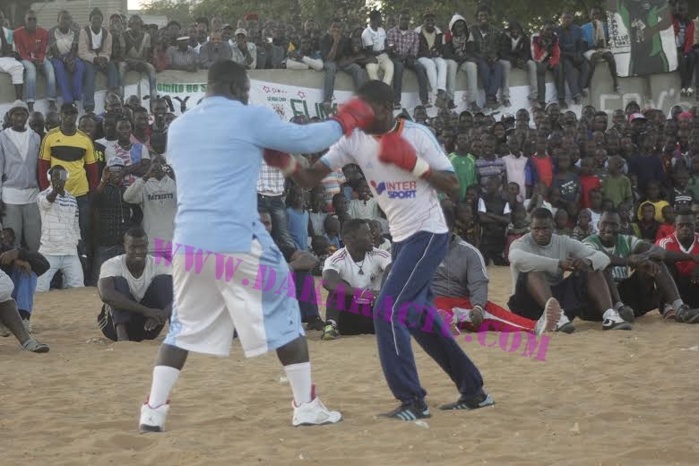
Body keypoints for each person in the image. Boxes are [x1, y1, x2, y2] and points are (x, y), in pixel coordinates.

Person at [137, 60, 376, 432]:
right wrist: (350, 117)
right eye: (247, 90)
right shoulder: (249, 117)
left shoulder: (180, 126)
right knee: (288, 317)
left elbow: (220, 158)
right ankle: (306, 405)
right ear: (237, 87)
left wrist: (262, 152)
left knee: (182, 329)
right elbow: (309, 141)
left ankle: (152, 411)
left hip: (187, 242)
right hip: (236, 239)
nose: (248, 96)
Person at [292, 80, 494, 420]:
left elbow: (454, 186)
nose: (357, 116)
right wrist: (284, 161)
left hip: (428, 232)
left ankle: (413, 401)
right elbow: (310, 179)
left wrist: (415, 165)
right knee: (418, 317)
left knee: (387, 310)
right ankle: (473, 390)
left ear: (386, 108)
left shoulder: (416, 135)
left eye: (364, 110)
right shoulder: (354, 139)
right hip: (401, 238)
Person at [434, 204, 560, 335]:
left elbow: (478, 283)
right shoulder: (419, 250)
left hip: (462, 303)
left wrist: (478, 307)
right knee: (433, 308)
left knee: (490, 311)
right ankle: (445, 324)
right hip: (433, 302)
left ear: (451, 226)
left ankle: (537, 326)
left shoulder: (469, 253)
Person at [508, 208, 632, 333]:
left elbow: (603, 258)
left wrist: (587, 261)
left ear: (553, 227)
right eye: (536, 229)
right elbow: (515, 257)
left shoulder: (563, 242)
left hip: (558, 302)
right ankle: (555, 318)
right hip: (526, 305)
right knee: (532, 271)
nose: (541, 233)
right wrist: (558, 264)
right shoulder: (521, 243)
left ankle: (609, 316)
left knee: (593, 268)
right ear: (530, 228)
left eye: (545, 228)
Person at [584, 209, 699, 323]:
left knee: (654, 261)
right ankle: (618, 309)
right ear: (598, 225)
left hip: (624, 293)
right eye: (605, 224)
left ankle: (680, 309)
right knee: (601, 265)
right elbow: (600, 257)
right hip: (598, 299)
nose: (608, 228)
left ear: (620, 226)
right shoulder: (588, 242)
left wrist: (644, 257)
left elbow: (657, 250)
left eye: (614, 224)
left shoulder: (626, 240)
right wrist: (629, 261)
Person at [97, 227, 172, 341]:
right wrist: (146, 311)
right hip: (114, 328)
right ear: (125, 246)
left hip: (149, 326)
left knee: (164, 281)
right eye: (133, 247)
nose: (138, 251)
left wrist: (164, 313)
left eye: (142, 247)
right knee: (119, 282)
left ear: (147, 245)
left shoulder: (160, 264)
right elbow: (106, 295)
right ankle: (122, 336)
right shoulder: (111, 264)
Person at [321, 219, 391, 339]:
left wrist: (383, 293)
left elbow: (394, 270)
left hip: (374, 312)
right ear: (349, 239)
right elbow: (328, 282)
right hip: (349, 318)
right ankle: (331, 325)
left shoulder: (380, 254)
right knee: (338, 287)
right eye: (367, 233)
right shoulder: (336, 259)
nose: (372, 236)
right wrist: (364, 294)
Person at [0, 100, 42, 252]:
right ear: (10, 117)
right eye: (16, 114)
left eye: (23, 114)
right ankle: (14, 276)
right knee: (12, 241)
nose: (19, 118)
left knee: (35, 240)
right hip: (10, 197)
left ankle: (38, 275)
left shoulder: (35, 137)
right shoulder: (3, 137)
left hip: (32, 195)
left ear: (27, 116)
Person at [35, 165, 84, 292]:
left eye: (62, 176)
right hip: (49, 251)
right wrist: (56, 190)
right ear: (49, 178)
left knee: (78, 287)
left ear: (66, 178)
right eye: (56, 176)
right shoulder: (42, 195)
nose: (59, 179)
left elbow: (75, 224)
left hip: (70, 252)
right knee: (40, 289)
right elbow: (47, 203)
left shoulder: (72, 198)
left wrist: (78, 243)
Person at [122, 154, 177, 261]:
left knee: (174, 277)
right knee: (155, 277)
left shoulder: (174, 183)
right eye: (155, 164)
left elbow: (187, 198)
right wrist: (146, 176)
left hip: (173, 243)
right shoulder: (144, 184)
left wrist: (174, 176)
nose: (158, 167)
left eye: (161, 163)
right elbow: (127, 197)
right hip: (152, 244)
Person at [13, 10, 57, 112]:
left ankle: (52, 101)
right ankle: (30, 102)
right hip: (25, 58)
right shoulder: (17, 33)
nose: (32, 21)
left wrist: (40, 60)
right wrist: (33, 61)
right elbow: (21, 52)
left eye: (34, 19)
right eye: (29, 19)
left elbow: (43, 50)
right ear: (25, 21)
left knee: (50, 69)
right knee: (31, 70)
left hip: (40, 57)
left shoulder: (43, 32)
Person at [79, 8, 119, 113]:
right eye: (94, 20)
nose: (96, 22)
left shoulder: (107, 34)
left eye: (98, 20)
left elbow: (107, 51)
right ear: (90, 20)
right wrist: (94, 59)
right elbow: (82, 52)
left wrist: (104, 58)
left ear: (102, 21)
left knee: (112, 68)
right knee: (89, 75)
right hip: (89, 59)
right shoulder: (84, 32)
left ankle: (112, 98)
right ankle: (89, 106)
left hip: (102, 59)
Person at [657, 209, 699, 308]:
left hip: (695, 286)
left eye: (689, 225)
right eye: (681, 225)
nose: (685, 228)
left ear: (695, 226)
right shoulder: (664, 242)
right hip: (674, 288)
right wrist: (692, 258)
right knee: (665, 264)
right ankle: (668, 306)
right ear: (675, 226)